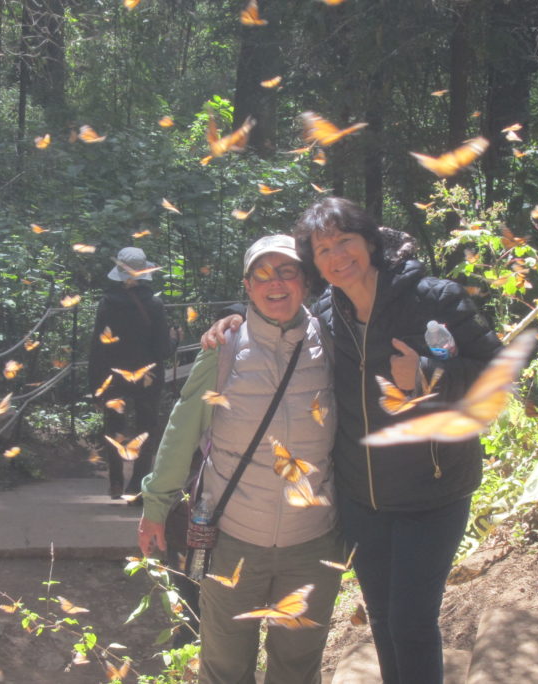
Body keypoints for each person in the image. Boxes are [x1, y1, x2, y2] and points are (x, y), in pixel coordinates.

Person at [204, 198, 502, 684]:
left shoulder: (433, 298)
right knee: (383, 618)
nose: (336, 256)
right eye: (322, 249)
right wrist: (234, 317)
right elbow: (279, 313)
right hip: (362, 499)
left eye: (345, 241)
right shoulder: (327, 311)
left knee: (411, 620)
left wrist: (429, 374)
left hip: (433, 489)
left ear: (371, 243)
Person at [139, 235, 342, 684]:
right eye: (263, 274)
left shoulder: (331, 342)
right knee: (225, 668)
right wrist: (156, 507)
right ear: (247, 286)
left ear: (305, 281)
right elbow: (181, 432)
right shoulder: (224, 350)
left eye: (287, 271)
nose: (276, 284)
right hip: (232, 540)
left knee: (297, 668)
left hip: (312, 543)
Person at [88, 246, 172, 500]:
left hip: (113, 376)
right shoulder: (154, 305)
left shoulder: (106, 305)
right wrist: (175, 340)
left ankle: (115, 483)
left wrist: (95, 384)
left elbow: (97, 347)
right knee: (146, 428)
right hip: (147, 377)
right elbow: (162, 350)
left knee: (114, 428)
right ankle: (137, 484)